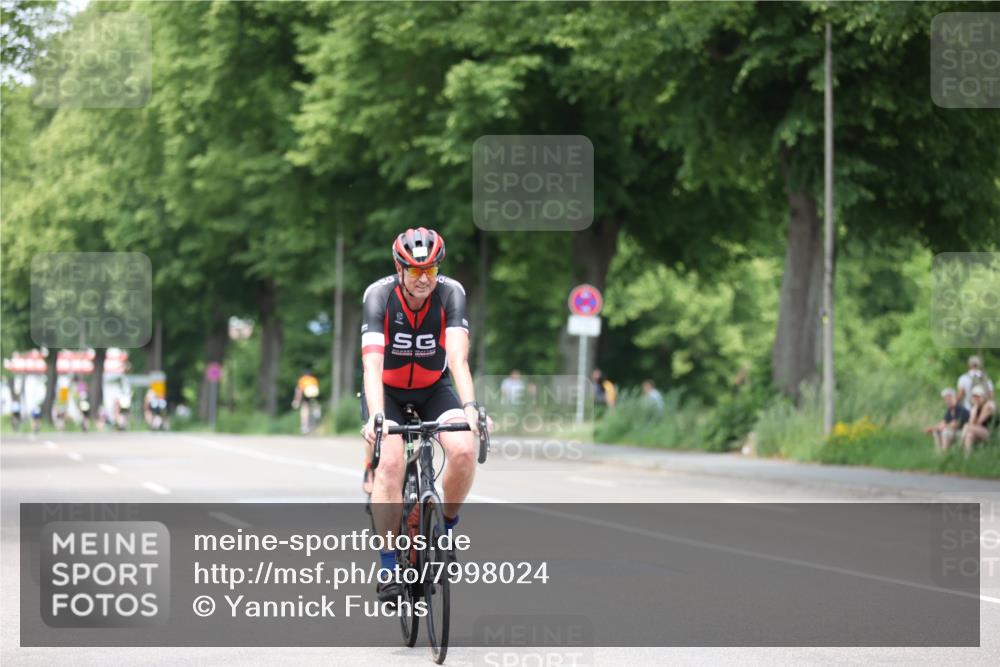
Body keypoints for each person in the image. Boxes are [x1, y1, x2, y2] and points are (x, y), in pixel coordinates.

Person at [359, 227, 490, 604]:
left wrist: (470, 409)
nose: (423, 279)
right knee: (390, 464)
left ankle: (446, 527)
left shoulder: (451, 293)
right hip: (388, 391)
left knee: (463, 449)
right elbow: (372, 364)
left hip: (434, 387)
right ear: (399, 269)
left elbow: (458, 359)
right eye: (415, 271)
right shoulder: (379, 295)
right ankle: (387, 565)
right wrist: (378, 417)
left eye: (430, 271)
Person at [923, 388, 969, 453]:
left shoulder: (961, 409)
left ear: (954, 397)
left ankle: (945, 453)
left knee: (946, 431)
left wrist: (933, 428)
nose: (947, 401)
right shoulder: (949, 410)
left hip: (963, 433)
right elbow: (943, 423)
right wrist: (933, 428)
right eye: (945, 399)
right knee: (936, 432)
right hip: (954, 432)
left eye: (949, 398)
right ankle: (938, 453)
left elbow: (954, 425)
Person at [960, 386, 997, 456]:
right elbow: (972, 423)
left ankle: (960, 445)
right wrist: (975, 408)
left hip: (990, 432)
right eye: (974, 397)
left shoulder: (989, 405)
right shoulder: (975, 408)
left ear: (983, 396)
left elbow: (979, 422)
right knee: (969, 435)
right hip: (978, 431)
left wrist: (976, 407)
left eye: (978, 396)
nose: (976, 399)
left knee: (967, 426)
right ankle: (967, 458)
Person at [292, 367, 321, 434]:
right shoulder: (314, 380)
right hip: (314, 394)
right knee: (314, 404)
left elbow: (299, 391)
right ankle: (316, 411)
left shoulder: (302, 380)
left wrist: (296, 401)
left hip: (306, 394)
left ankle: (304, 426)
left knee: (304, 409)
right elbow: (317, 390)